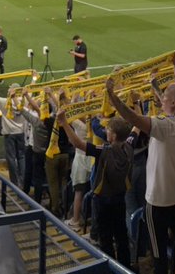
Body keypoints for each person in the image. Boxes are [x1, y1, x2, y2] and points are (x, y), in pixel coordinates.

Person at [105, 74, 175, 274]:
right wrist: (156, 86)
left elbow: (133, 118)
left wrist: (112, 96)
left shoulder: (165, 126)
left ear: (173, 102)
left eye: (165, 98)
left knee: (158, 254)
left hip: (158, 203)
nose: (161, 100)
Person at [58, 111, 133, 266]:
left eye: (108, 130)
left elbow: (78, 144)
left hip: (103, 200)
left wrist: (64, 122)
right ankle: (125, 266)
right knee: (121, 235)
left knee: (105, 238)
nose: (105, 131)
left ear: (112, 136)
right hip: (120, 198)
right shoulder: (129, 146)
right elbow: (136, 128)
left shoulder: (104, 150)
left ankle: (110, 267)